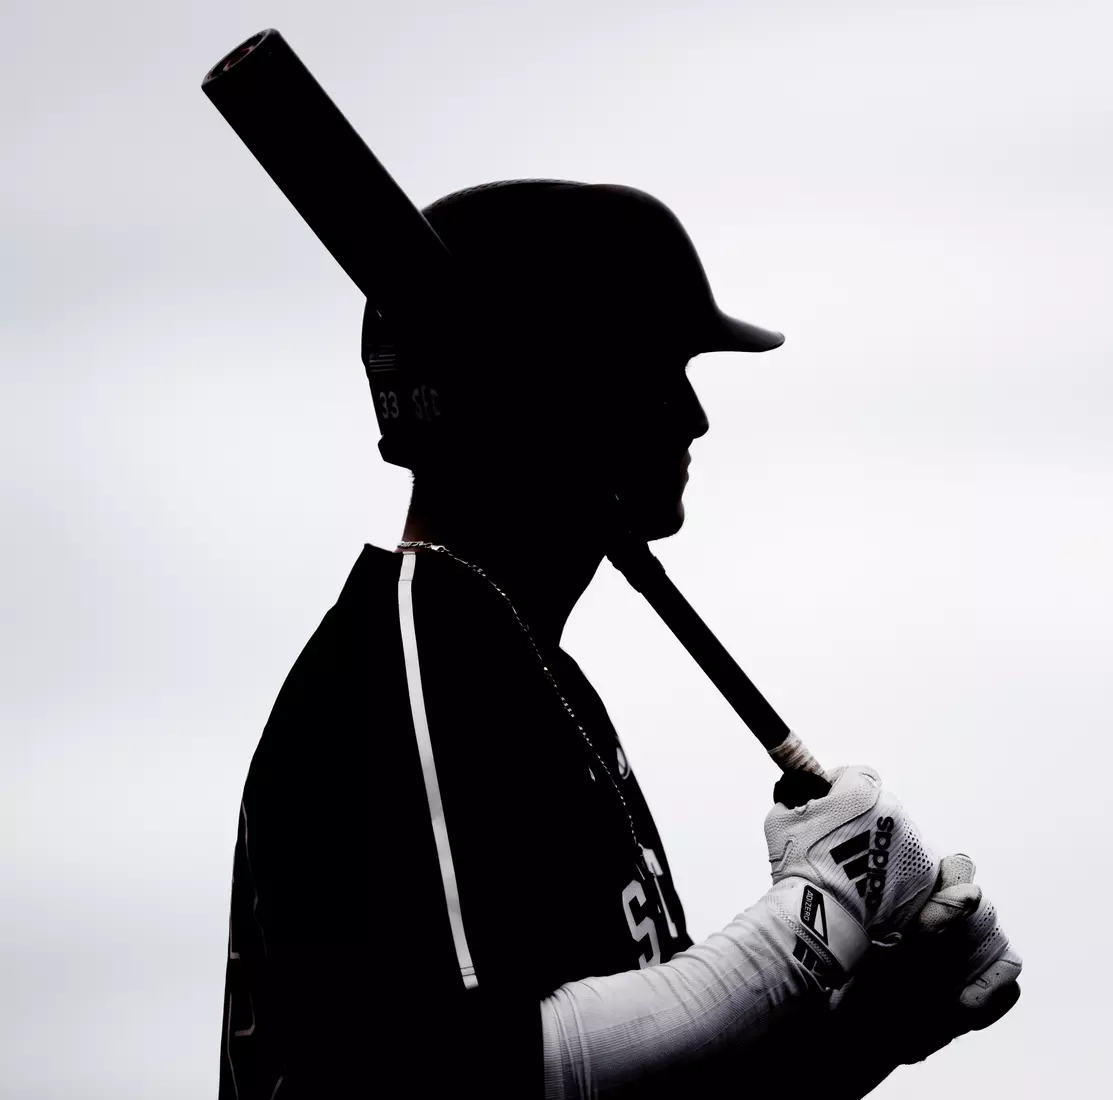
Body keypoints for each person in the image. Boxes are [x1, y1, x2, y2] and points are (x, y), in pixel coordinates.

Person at [216, 179, 1021, 1099]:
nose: (695, 417)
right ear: (567, 389)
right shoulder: (405, 661)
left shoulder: (532, 676)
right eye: (663, 370)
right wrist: (817, 918)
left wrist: (869, 1027)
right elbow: (448, 1073)